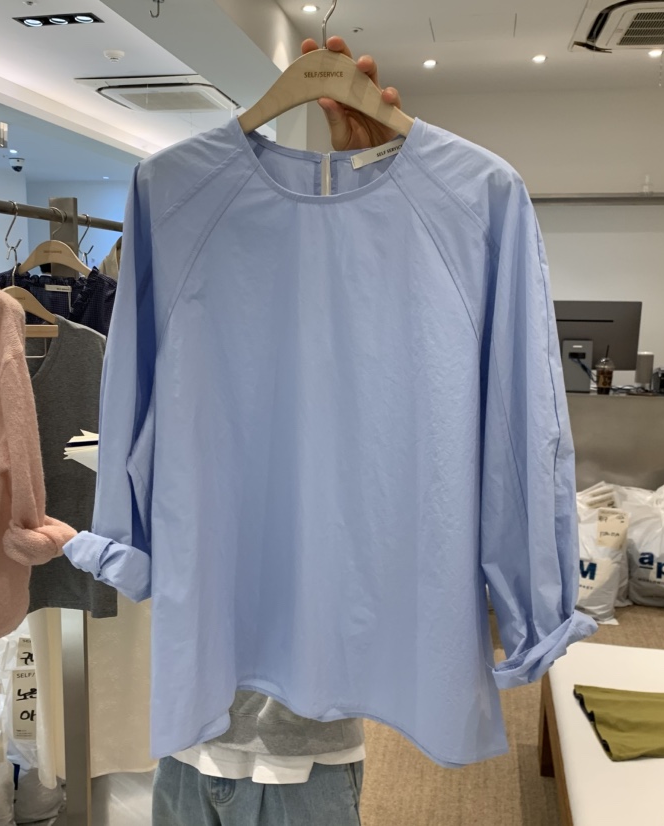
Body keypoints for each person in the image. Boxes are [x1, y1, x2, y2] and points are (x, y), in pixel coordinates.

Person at [151, 35, 404, 826]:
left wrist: (381, 206)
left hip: (304, 747)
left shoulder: (395, 284)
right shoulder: (178, 207)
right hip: (190, 734)